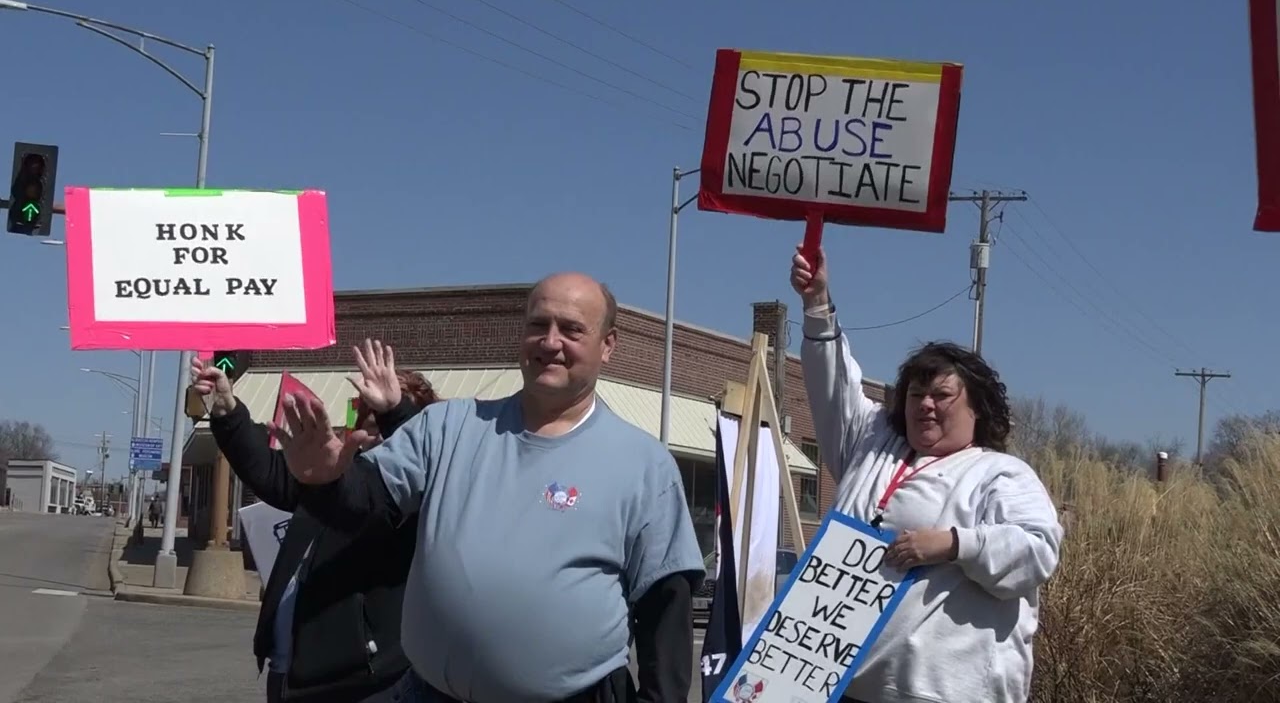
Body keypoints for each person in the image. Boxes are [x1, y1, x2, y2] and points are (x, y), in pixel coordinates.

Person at [273, 272, 706, 703]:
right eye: (538, 324)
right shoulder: (448, 427)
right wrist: (325, 479)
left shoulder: (644, 464)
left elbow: (665, 608)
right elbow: (365, 504)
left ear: (607, 345)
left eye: (572, 329)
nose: (550, 341)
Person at [790, 246, 1064, 703]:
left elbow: (1037, 551)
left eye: (942, 395)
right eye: (916, 394)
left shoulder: (1000, 474)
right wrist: (817, 303)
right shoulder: (872, 443)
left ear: (978, 408)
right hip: (841, 686)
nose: (926, 405)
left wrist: (954, 544)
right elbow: (833, 385)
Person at [191, 340, 438, 703]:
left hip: (364, 685)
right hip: (289, 676)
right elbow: (270, 471)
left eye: (382, 424)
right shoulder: (333, 478)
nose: (376, 438)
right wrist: (227, 409)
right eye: (367, 423)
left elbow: (430, 458)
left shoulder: (416, 500)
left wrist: (395, 411)